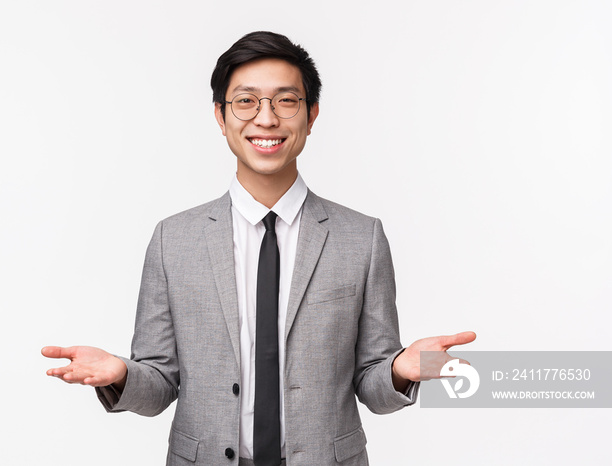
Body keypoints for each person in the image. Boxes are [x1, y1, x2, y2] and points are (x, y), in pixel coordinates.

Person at [42, 31, 476, 466]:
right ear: (220, 115)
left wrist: (400, 370)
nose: (266, 119)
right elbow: (159, 385)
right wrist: (122, 375)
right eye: (246, 101)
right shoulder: (173, 239)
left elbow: (371, 385)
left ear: (312, 114)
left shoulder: (361, 238)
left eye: (286, 101)